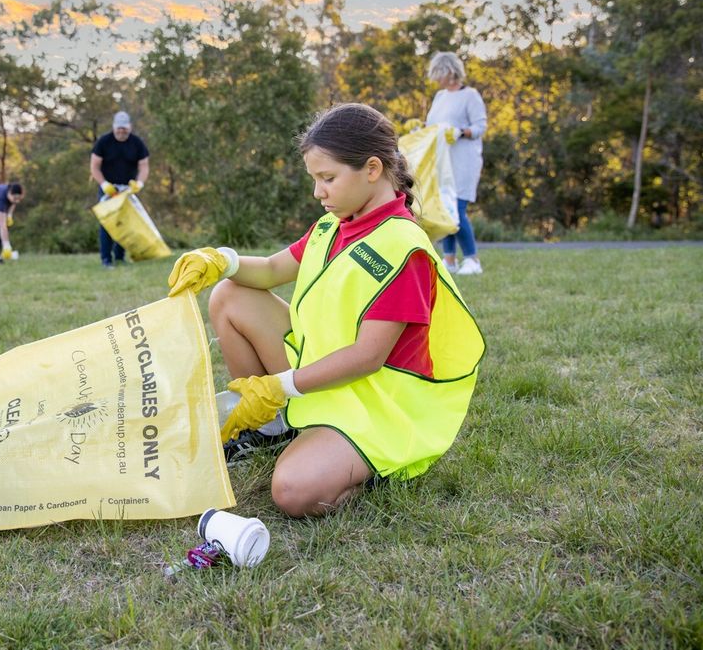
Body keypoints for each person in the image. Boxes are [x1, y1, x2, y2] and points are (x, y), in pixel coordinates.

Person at [166, 103, 484, 518]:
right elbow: (272, 270)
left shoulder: (404, 248)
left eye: (327, 178)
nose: (318, 192)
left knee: (293, 493)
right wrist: (222, 261)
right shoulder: (332, 226)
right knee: (229, 294)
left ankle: (364, 466)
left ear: (372, 169)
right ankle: (271, 427)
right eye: (315, 179)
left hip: (373, 404)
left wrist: (278, 386)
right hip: (321, 374)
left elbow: (367, 357)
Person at [424, 52, 487, 275]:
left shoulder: (470, 96)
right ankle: (449, 260)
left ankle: (473, 260)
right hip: (442, 163)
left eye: (438, 74)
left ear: (449, 71)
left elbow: (480, 127)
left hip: (464, 162)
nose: (436, 80)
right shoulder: (440, 97)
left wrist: (460, 132)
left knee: (457, 211)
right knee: (445, 211)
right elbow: (432, 126)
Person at [90, 110, 149, 268]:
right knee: (108, 224)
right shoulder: (104, 142)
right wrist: (104, 184)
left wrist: (139, 183)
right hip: (108, 189)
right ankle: (106, 259)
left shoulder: (137, 143)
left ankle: (120, 257)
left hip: (127, 189)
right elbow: (94, 166)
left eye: (125, 128)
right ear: (114, 127)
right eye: (119, 128)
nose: (122, 131)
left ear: (129, 127)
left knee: (124, 223)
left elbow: (144, 167)